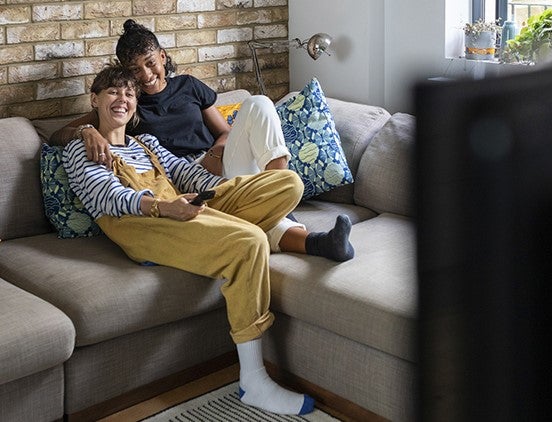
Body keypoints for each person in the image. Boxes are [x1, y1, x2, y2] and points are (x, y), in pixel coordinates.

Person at [62, 64, 315, 415]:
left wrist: (227, 191)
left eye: (129, 93)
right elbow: (108, 197)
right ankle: (254, 381)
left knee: (287, 184)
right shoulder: (80, 149)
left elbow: (187, 173)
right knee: (250, 242)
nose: (123, 99)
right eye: (113, 92)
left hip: (181, 208)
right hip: (142, 225)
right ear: (95, 100)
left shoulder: (147, 143)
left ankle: (227, 229)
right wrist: (166, 207)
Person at [51, 19, 353, 262]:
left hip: (220, 164)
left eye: (150, 63)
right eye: (134, 70)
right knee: (248, 217)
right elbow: (57, 135)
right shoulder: (127, 103)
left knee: (259, 103)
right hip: (185, 181)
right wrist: (86, 131)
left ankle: (277, 195)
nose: (145, 74)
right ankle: (320, 243)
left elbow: (225, 131)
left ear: (162, 57)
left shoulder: (189, 86)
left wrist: (216, 153)